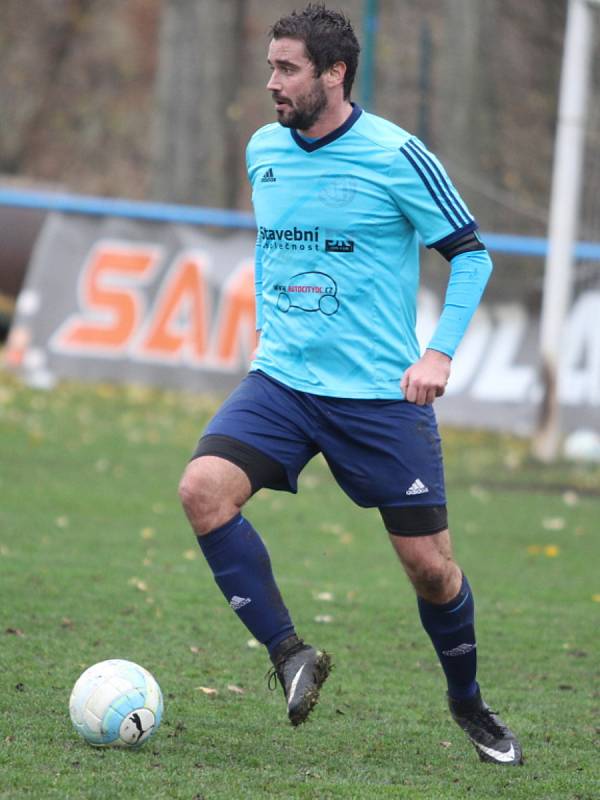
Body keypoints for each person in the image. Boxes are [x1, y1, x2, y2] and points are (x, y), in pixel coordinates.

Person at [179, 2, 522, 766]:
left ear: (334, 73)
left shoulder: (396, 154)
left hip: (376, 399)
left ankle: (466, 701)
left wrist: (437, 355)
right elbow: (280, 245)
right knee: (203, 489)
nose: (272, 81)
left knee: (431, 570)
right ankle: (289, 655)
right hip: (283, 385)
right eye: (270, 65)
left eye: (288, 68)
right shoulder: (263, 149)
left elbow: (471, 255)